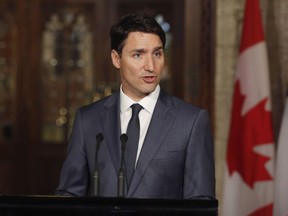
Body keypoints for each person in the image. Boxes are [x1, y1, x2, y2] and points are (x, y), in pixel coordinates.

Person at [56, 12, 215, 199]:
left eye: (157, 54)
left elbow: (200, 203)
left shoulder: (191, 122)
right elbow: (69, 196)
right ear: (116, 59)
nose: (150, 66)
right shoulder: (88, 120)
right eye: (138, 55)